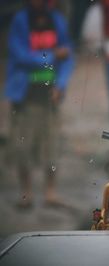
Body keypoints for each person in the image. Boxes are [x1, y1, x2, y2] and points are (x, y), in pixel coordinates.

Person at [4, 0, 74, 208]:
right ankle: (26, 194)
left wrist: (60, 85)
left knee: (51, 144)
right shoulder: (20, 21)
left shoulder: (57, 21)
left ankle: (50, 193)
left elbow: (67, 55)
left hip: (48, 93)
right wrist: (51, 55)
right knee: (22, 144)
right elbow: (20, 55)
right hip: (25, 93)